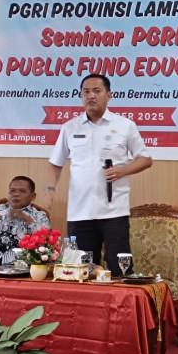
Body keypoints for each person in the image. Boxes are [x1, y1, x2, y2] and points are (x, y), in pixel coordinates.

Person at [47, 73, 152, 276]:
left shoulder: (124, 125)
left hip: (114, 212)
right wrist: (50, 189)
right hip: (80, 212)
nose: (91, 96)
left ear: (109, 95)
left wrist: (123, 170)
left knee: (120, 269)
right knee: (81, 271)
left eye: (96, 91)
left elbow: (145, 159)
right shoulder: (70, 127)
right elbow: (55, 163)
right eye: (86, 92)